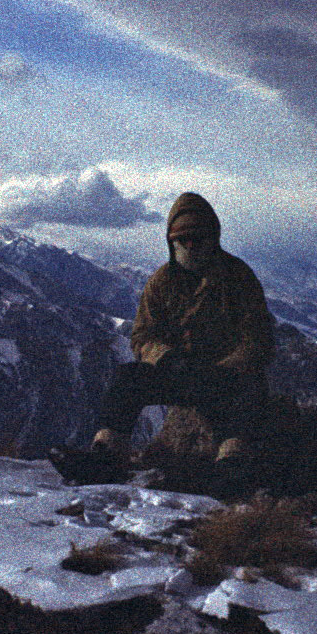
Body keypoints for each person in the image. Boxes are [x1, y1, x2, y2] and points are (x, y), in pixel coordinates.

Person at [90, 192, 275, 466]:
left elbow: (257, 338)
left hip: (225, 376)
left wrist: (227, 367)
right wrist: (165, 357)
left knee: (249, 387)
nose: (189, 245)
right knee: (127, 378)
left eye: (197, 238)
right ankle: (106, 452)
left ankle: (233, 461)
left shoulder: (238, 277)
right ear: (171, 241)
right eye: (182, 239)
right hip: (179, 373)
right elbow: (143, 335)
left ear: (212, 238)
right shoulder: (161, 281)